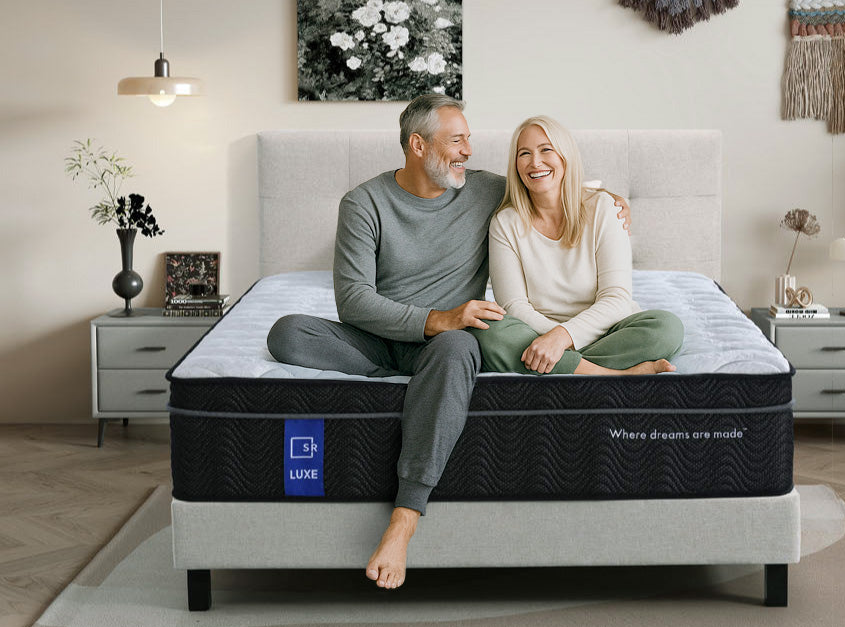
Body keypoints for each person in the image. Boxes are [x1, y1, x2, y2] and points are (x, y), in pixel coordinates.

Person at [266, 96, 631, 590]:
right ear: (419, 146)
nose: (468, 151)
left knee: (462, 348)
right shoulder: (364, 203)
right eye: (457, 140)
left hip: (448, 344)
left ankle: (404, 518)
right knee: (286, 332)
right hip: (376, 338)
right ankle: (420, 378)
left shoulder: (483, 191)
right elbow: (352, 300)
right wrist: (436, 318)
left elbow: (549, 181)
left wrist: (608, 196)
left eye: (468, 140)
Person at [474, 115, 683, 377]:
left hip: (604, 330)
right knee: (489, 334)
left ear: (565, 156)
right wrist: (551, 337)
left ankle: (560, 367)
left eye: (546, 149)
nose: (535, 162)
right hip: (535, 333)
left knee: (667, 328)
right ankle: (613, 375)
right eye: (524, 153)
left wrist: (562, 339)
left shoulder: (604, 208)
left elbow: (616, 298)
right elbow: (515, 306)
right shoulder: (505, 223)